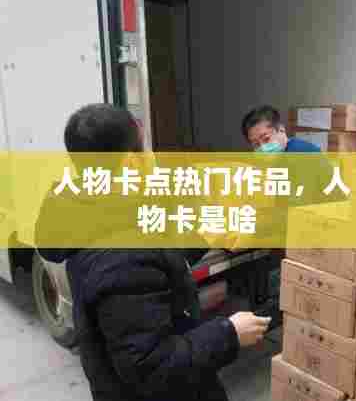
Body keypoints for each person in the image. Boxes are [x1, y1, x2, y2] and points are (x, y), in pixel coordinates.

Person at [35, 104, 271, 401]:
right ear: (130, 162)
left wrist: (203, 235)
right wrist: (229, 333)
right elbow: (151, 367)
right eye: (144, 149)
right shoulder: (119, 258)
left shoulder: (94, 211)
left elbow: (155, 260)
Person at [242, 105, 321, 153]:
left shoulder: (302, 151)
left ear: (281, 130)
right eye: (256, 144)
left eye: (266, 139)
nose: (262, 148)